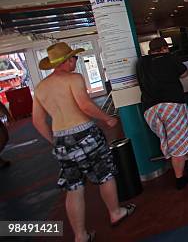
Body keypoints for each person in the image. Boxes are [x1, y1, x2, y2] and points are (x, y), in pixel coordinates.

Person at [32, 42, 135, 242]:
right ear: (68, 60)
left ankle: (80, 235)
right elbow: (85, 105)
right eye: (74, 58)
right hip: (85, 134)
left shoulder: (41, 88)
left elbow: (38, 121)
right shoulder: (74, 79)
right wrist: (107, 118)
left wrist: (54, 140)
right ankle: (115, 212)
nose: (76, 62)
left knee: (74, 187)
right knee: (104, 175)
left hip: (61, 139)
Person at [136, 37, 188, 190]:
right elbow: (184, 73)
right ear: (165, 48)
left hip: (149, 110)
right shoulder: (169, 58)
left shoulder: (141, 63)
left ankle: (185, 166)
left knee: (168, 141)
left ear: (150, 51)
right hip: (172, 105)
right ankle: (180, 179)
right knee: (178, 143)